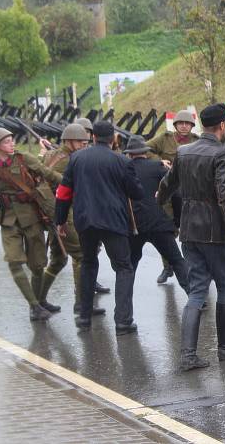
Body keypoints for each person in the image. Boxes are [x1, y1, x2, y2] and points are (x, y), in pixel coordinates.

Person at [157, 103, 225, 371]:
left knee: (197, 291)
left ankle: (188, 355)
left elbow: (168, 183)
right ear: (222, 126)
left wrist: (160, 198)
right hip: (216, 231)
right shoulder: (221, 153)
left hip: (189, 230)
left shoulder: (183, 151)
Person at [54, 121, 145, 335]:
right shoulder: (121, 161)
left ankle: (84, 317)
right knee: (123, 267)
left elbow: (63, 192)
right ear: (113, 138)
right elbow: (137, 192)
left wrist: (59, 220)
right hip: (113, 221)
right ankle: (123, 321)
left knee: (88, 264)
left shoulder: (76, 158)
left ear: (93, 137)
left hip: (85, 221)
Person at [0, 127, 62, 321]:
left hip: (32, 217)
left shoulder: (24, 158)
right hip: (8, 219)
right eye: (7, 141)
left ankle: (39, 302)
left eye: (12, 140)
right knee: (14, 261)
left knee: (37, 265)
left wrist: (70, 182)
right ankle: (34, 306)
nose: (12, 143)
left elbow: (47, 173)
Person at [40, 123, 106, 317]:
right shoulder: (64, 159)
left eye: (86, 142)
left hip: (55, 212)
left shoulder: (55, 155)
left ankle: (38, 300)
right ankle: (82, 303)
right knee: (82, 255)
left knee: (58, 260)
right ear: (68, 141)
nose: (84, 145)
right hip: (62, 213)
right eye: (80, 142)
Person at [123, 135, 191, 292]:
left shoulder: (123, 170)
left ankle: (123, 308)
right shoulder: (158, 167)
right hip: (159, 222)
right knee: (177, 260)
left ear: (129, 154)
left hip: (133, 225)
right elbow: (177, 194)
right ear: (145, 153)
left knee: (129, 266)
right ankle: (195, 298)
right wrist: (176, 221)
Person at [147, 110, 199, 284]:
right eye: (180, 123)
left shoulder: (197, 141)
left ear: (192, 126)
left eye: (187, 123)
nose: (184, 126)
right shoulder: (164, 138)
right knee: (167, 230)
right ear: (175, 125)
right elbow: (146, 149)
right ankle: (167, 267)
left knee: (193, 230)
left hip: (189, 192)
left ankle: (195, 266)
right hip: (168, 191)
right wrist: (159, 161)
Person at [73, 116, 111, 296]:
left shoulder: (90, 152)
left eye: (88, 132)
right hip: (77, 208)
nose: (85, 136)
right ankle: (81, 295)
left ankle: (89, 284)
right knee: (80, 255)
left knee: (92, 252)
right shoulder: (70, 155)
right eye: (82, 132)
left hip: (96, 207)